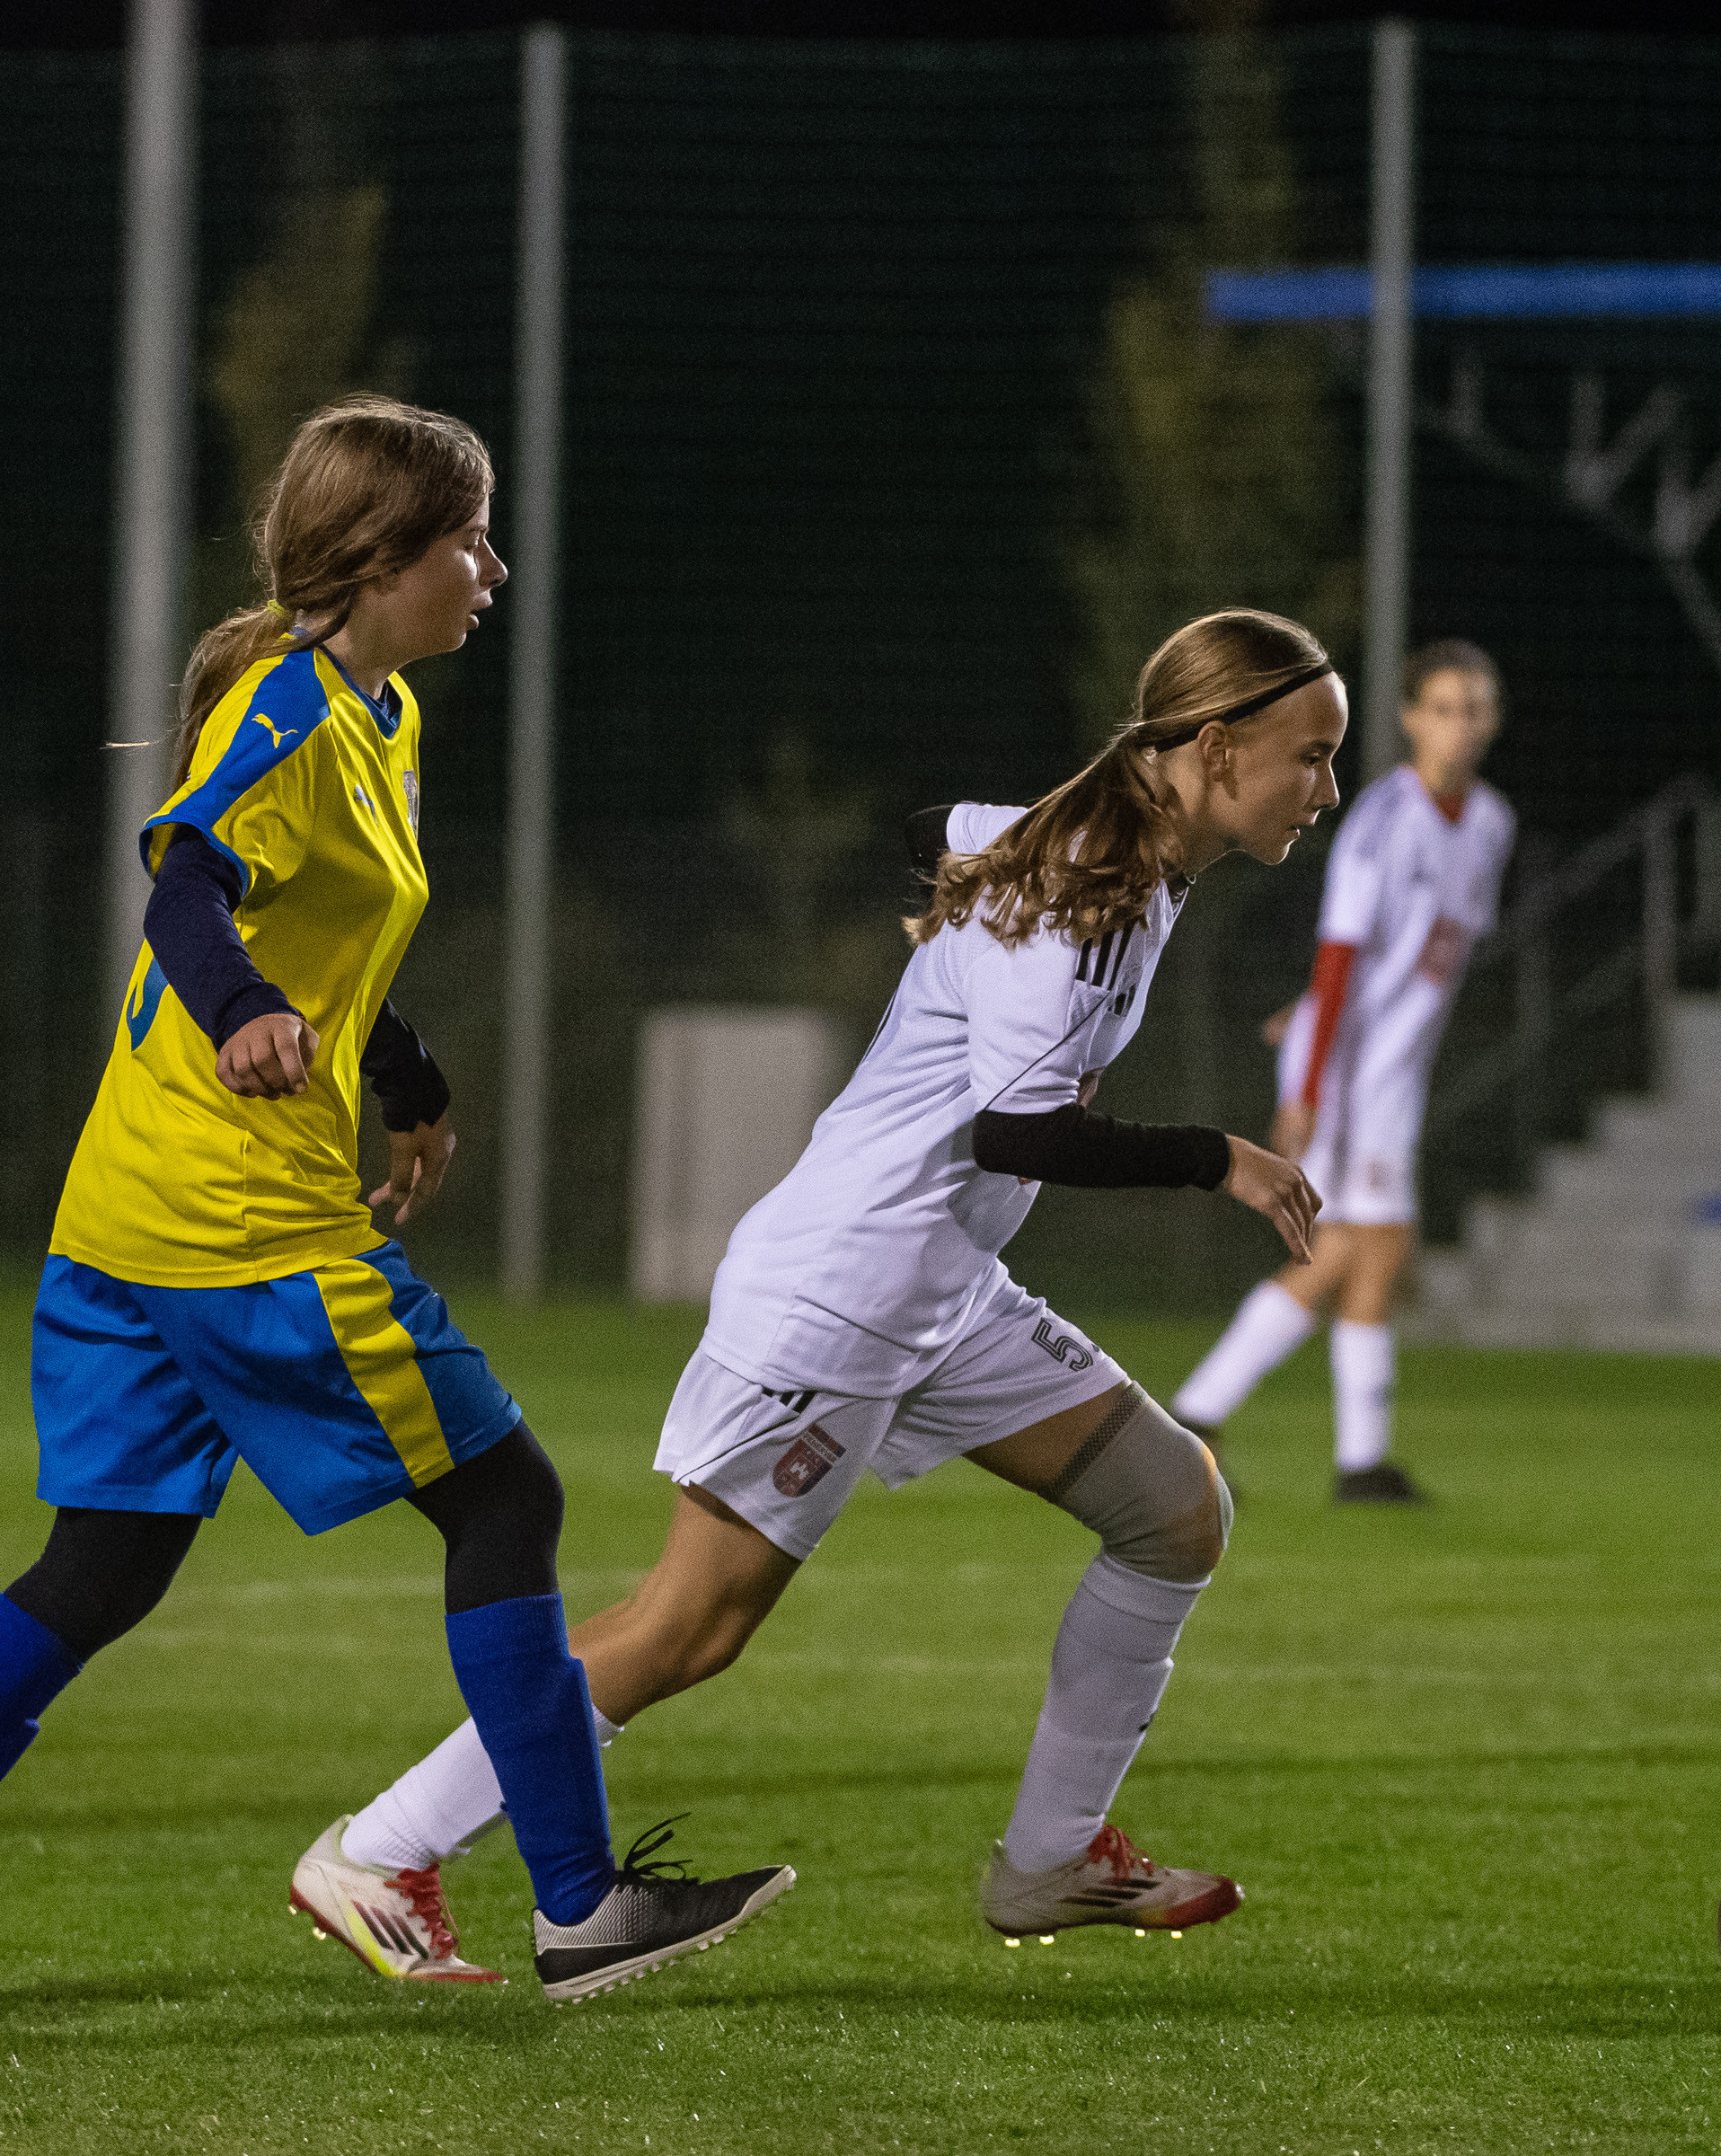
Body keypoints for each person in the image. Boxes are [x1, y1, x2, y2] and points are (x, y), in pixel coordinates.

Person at [0, 396, 790, 2009]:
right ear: (379, 560)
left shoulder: (381, 713)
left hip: (130, 1211)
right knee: (505, 1498)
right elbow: (187, 878)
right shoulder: (288, 710)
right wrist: (241, 1007)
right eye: (469, 541)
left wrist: (407, 1074)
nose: (492, 570)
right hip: (235, 1219)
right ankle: (581, 1902)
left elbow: (322, 935)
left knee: (103, 1564)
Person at [284, 608, 1345, 1958]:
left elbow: (931, 828)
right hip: (843, 1295)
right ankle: (380, 1851)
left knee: (1176, 1508)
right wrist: (1220, 1158)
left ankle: (1051, 1860)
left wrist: (963, 925)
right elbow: (1019, 1135)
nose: (1325, 788)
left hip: (940, 1290)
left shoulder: (1089, 841)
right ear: (1217, 746)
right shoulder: (1092, 884)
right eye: (1312, 756)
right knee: (685, 1629)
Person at [1168, 640, 1514, 1504]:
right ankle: (1205, 1417)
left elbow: (1411, 960)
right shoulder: (1383, 822)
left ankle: (1348, 1457)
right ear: (1409, 719)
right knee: (1368, 1249)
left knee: (1358, 1260)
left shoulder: (1490, 823)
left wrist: (1313, 1010)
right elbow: (1341, 953)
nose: (1462, 726)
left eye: (1476, 708)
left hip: (1391, 1069)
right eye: (1444, 708)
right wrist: (1310, 1086)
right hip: (1350, 1075)